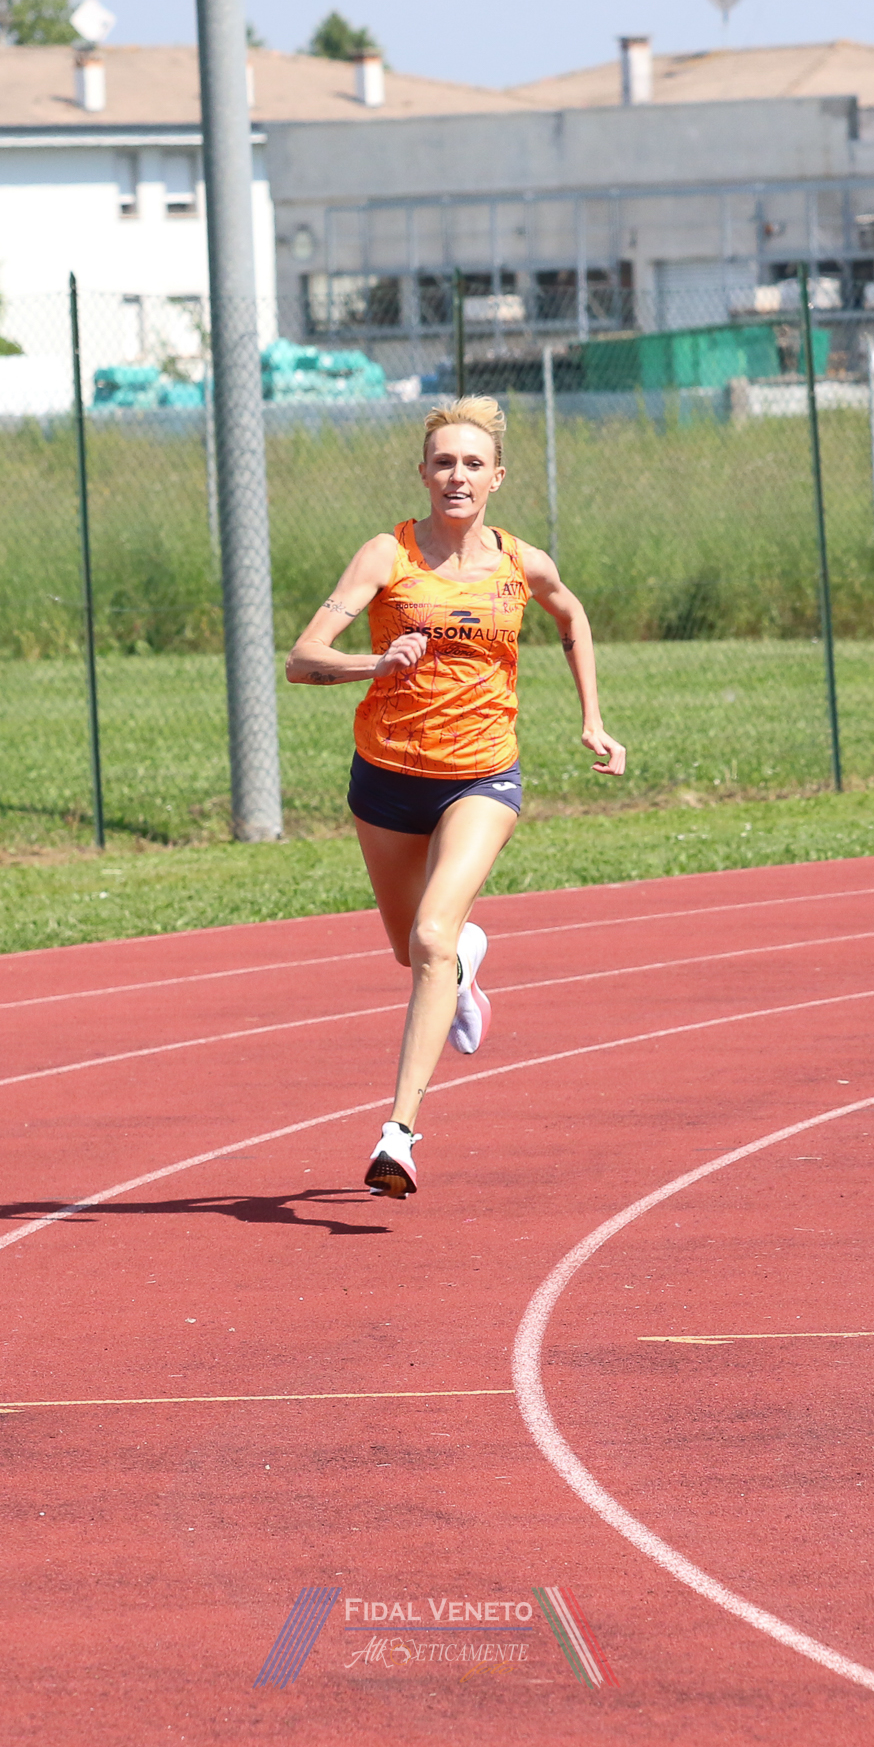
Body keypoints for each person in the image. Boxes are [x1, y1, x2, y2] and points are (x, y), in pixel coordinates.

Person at [285, 396, 625, 1201]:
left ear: (497, 478)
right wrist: (376, 665)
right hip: (386, 777)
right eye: (444, 463)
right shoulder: (387, 555)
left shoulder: (521, 563)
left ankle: (397, 1134)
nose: (457, 476)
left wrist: (593, 719)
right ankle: (467, 964)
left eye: (474, 463)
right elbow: (302, 660)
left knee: (433, 935)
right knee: (413, 952)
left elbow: (570, 612)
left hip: (481, 777)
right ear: (423, 474)